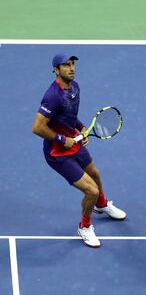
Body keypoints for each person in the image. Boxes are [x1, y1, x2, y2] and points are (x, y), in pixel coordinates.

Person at [32, 54, 126, 248]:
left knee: (95, 174)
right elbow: (37, 127)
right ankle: (84, 227)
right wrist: (60, 139)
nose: (71, 68)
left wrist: (82, 128)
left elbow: (69, 116)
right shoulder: (52, 96)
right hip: (57, 154)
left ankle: (102, 204)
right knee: (91, 190)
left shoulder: (75, 87)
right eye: (66, 65)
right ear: (56, 70)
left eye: (73, 64)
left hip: (73, 143)